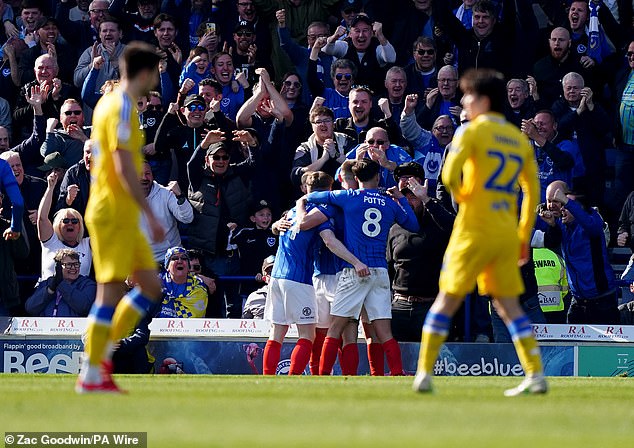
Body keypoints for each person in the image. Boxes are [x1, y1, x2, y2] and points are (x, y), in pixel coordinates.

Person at [413, 69, 547, 396]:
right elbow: (533, 191)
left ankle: (424, 373)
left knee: (446, 299)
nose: (462, 102)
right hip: (505, 232)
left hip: (473, 228)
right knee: (509, 306)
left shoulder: (469, 132)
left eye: (467, 95)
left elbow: (448, 176)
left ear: (483, 100)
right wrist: (523, 235)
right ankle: (535, 374)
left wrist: (463, 197)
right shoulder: (519, 140)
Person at [76, 42, 165, 394]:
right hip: (113, 210)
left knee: (151, 288)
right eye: (155, 73)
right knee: (110, 292)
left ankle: (98, 357)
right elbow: (121, 163)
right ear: (143, 73)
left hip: (119, 211)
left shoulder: (107, 104)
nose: (156, 80)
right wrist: (149, 212)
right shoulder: (122, 106)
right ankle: (93, 367)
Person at [303, 159, 419, 376]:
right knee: (383, 330)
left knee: (337, 327)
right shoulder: (390, 202)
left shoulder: (348, 197)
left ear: (356, 179)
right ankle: (395, 373)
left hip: (355, 269)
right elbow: (413, 224)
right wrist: (400, 197)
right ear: (378, 177)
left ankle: (323, 375)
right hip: (380, 271)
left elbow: (313, 196)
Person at [263, 171, 368, 376]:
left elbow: (286, 226)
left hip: (279, 277)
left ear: (306, 189)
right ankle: (306, 377)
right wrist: (356, 262)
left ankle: (268, 378)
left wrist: (275, 226)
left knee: (280, 332)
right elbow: (329, 241)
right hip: (311, 277)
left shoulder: (293, 211)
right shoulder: (324, 210)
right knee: (332, 332)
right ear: (329, 189)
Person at [387, 162, 454, 342]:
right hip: (399, 306)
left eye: (413, 197)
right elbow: (389, 268)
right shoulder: (394, 228)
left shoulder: (436, 220)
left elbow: (456, 228)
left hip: (431, 306)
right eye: (404, 198)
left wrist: (425, 199)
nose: (409, 202)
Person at [540, 180, 619, 325]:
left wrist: (569, 203)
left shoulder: (591, 217)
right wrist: (551, 224)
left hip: (602, 300)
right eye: (549, 201)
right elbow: (552, 241)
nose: (562, 208)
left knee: (605, 347)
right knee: (570, 345)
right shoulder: (562, 225)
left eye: (564, 204)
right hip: (578, 301)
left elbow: (593, 227)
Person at [37, 171, 92, 281]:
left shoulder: (87, 244)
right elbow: (42, 217)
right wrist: (50, 188)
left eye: (75, 221)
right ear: (58, 224)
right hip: (50, 294)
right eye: (65, 221)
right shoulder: (51, 241)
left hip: (79, 294)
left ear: (80, 226)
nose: (70, 223)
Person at [139, 161, 193, 264]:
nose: (144, 178)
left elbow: (187, 218)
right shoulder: (122, 197)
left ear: (152, 175)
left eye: (147, 174)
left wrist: (180, 196)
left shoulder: (166, 193)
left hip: (169, 259)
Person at [25, 248, 96, 317]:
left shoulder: (87, 284)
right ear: (58, 266)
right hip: (46, 327)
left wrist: (61, 284)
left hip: (74, 328)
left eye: (76, 264)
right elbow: (30, 308)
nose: (73, 268)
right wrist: (50, 290)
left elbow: (84, 308)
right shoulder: (46, 283)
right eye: (68, 264)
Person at [157, 246, 208, 318]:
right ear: (167, 267)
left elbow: (195, 318)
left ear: (188, 268)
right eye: (174, 258)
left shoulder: (198, 286)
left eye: (184, 258)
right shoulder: (156, 283)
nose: (180, 261)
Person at [242, 255, 274, 319]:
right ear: (264, 277)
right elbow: (244, 322)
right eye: (270, 272)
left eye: (276, 271)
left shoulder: (290, 296)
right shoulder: (253, 297)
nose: (274, 275)